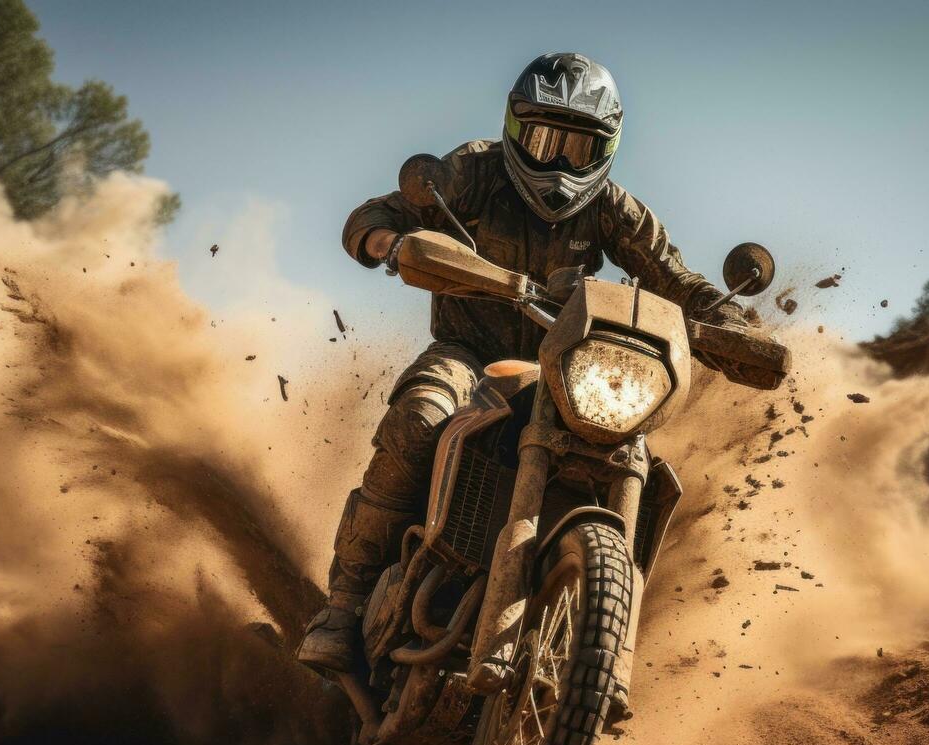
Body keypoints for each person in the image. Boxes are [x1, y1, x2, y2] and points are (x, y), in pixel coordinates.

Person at [297, 52, 751, 673]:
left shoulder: (615, 209)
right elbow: (374, 216)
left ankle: (603, 656)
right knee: (420, 417)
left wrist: (731, 323)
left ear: (606, 148)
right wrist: (391, 242)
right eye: (544, 139)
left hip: (568, 368)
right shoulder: (472, 173)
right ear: (515, 130)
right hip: (471, 355)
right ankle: (344, 607)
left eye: (578, 147)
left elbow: (674, 278)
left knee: (637, 452)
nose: (560, 161)